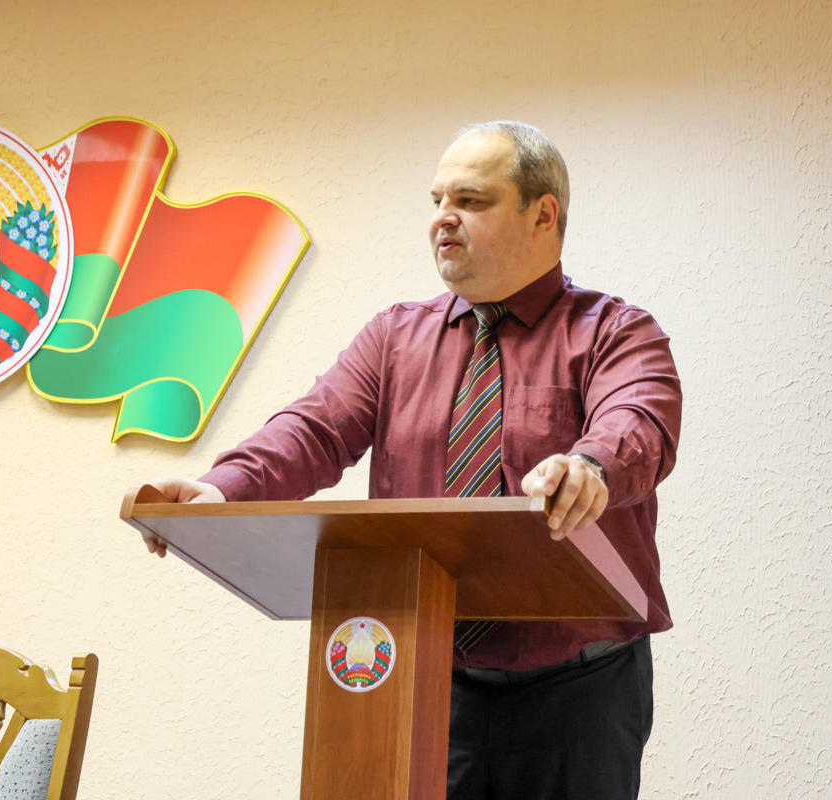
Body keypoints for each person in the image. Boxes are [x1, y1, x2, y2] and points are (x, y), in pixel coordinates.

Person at [143, 120, 681, 799]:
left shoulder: (614, 331)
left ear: (543, 214)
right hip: (425, 682)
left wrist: (589, 469)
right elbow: (313, 428)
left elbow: (639, 422)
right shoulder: (395, 337)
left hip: (579, 694)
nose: (443, 219)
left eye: (471, 200)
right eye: (437, 201)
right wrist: (223, 489)